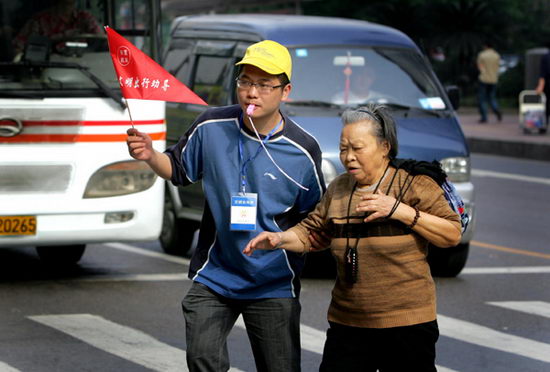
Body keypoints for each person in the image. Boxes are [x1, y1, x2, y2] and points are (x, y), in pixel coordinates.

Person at [126, 40, 326, 372]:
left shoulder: (303, 150)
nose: (252, 92)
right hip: (216, 274)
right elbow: (177, 169)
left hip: (273, 280)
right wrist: (149, 155)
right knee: (203, 357)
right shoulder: (210, 126)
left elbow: (314, 218)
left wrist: (287, 240)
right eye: (246, 81)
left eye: (264, 85)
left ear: (285, 91)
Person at [244, 104, 462, 372]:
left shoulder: (412, 184)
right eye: (343, 148)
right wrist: (279, 239)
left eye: (357, 148)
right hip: (348, 322)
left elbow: (451, 234)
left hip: (407, 324)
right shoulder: (339, 188)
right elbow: (313, 232)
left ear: (384, 148)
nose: (349, 157)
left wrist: (399, 210)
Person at [13, 0, 101, 57]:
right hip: (49, 74)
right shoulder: (39, 20)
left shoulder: (86, 18)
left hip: (85, 72)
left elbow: (102, 40)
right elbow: (17, 49)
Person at [476, 42, 502, 123]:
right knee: (492, 97)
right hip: (494, 79)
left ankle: (484, 117)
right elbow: (498, 67)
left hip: (484, 79)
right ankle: (496, 109)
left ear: (485, 46)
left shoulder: (482, 55)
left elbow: (480, 67)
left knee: (482, 99)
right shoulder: (496, 55)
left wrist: (483, 73)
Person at [535, 44, 550, 124]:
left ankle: (544, 124)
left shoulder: (545, 57)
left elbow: (543, 73)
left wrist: (540, 86)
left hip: (547, 84)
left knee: (546, 104)